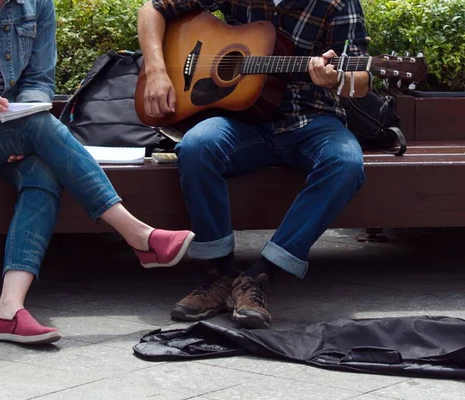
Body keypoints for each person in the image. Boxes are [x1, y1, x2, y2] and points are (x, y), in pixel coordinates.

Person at [0, 0, 195, 345]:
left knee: (43, 170)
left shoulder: (37, 4)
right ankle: (138, 235)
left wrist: (22, 118)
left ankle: (8, 311)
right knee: (36, 127)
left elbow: (38, 80)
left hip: (9, 127)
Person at [137, 0, 372, 328]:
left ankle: (260, 276)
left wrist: (336, 79)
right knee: (196, 146)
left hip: (310, 120)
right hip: (242, 120)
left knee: (345, 163)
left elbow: (361, 79)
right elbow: (153, 10)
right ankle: (219, 274)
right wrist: (157, 71)